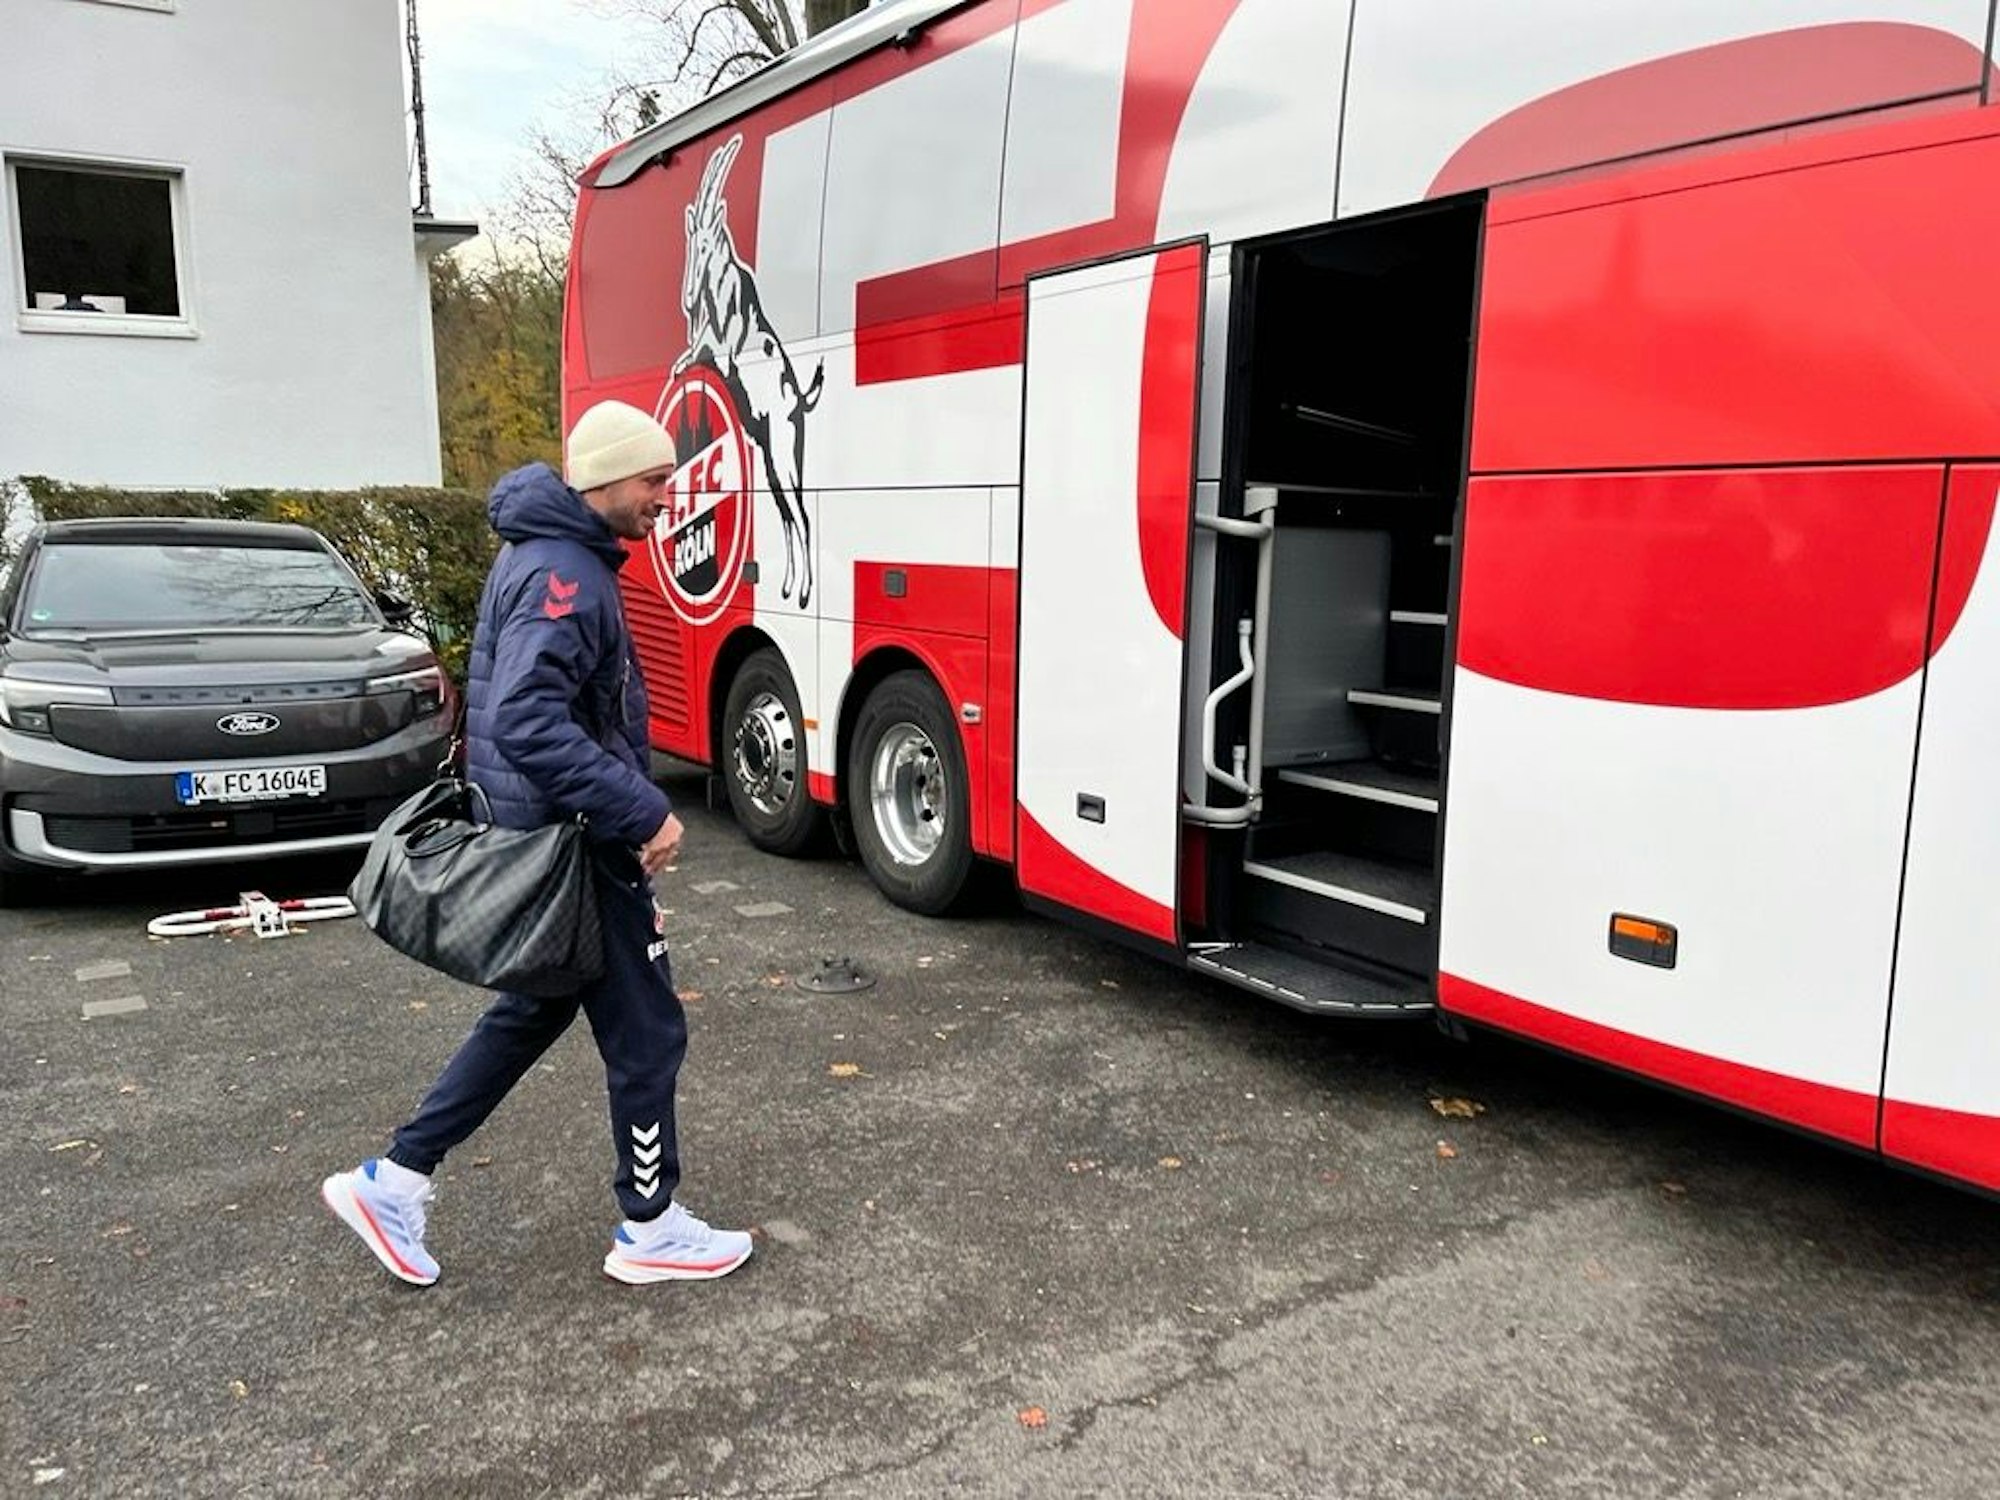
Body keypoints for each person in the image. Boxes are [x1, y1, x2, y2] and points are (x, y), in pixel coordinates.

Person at [321, 400, 752, 1288]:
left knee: (535, 1009)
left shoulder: (551, 553)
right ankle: (651, 1225)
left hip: (564, 839)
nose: (667, 497)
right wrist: (645, 809)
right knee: (647, 1036)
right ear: (600, 482)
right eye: (654, 480)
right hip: (579, 847)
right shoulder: (566, 572)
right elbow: (525, 718)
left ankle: (395, 1180)